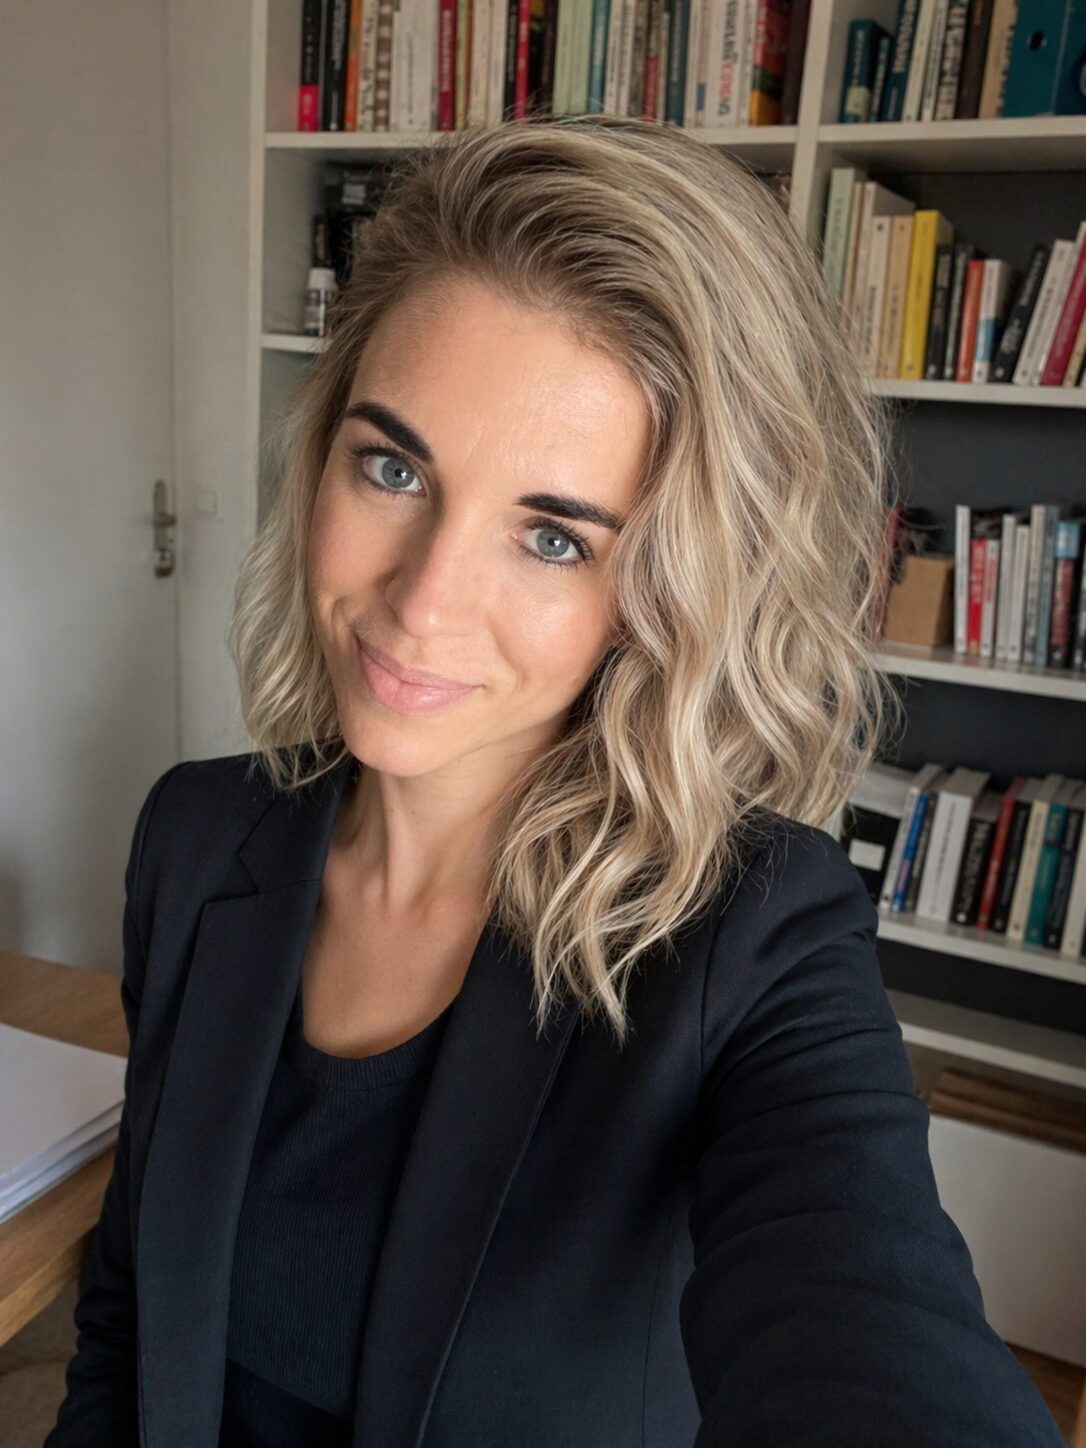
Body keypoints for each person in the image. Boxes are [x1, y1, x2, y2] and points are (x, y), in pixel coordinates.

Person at [47, 116, 1064, 1448]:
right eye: (393, 467)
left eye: (552, 538)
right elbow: (128, 1318)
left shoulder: (753, 938)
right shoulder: (194, 839)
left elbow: (873, 1320)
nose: (422, 602)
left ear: (668, 589)